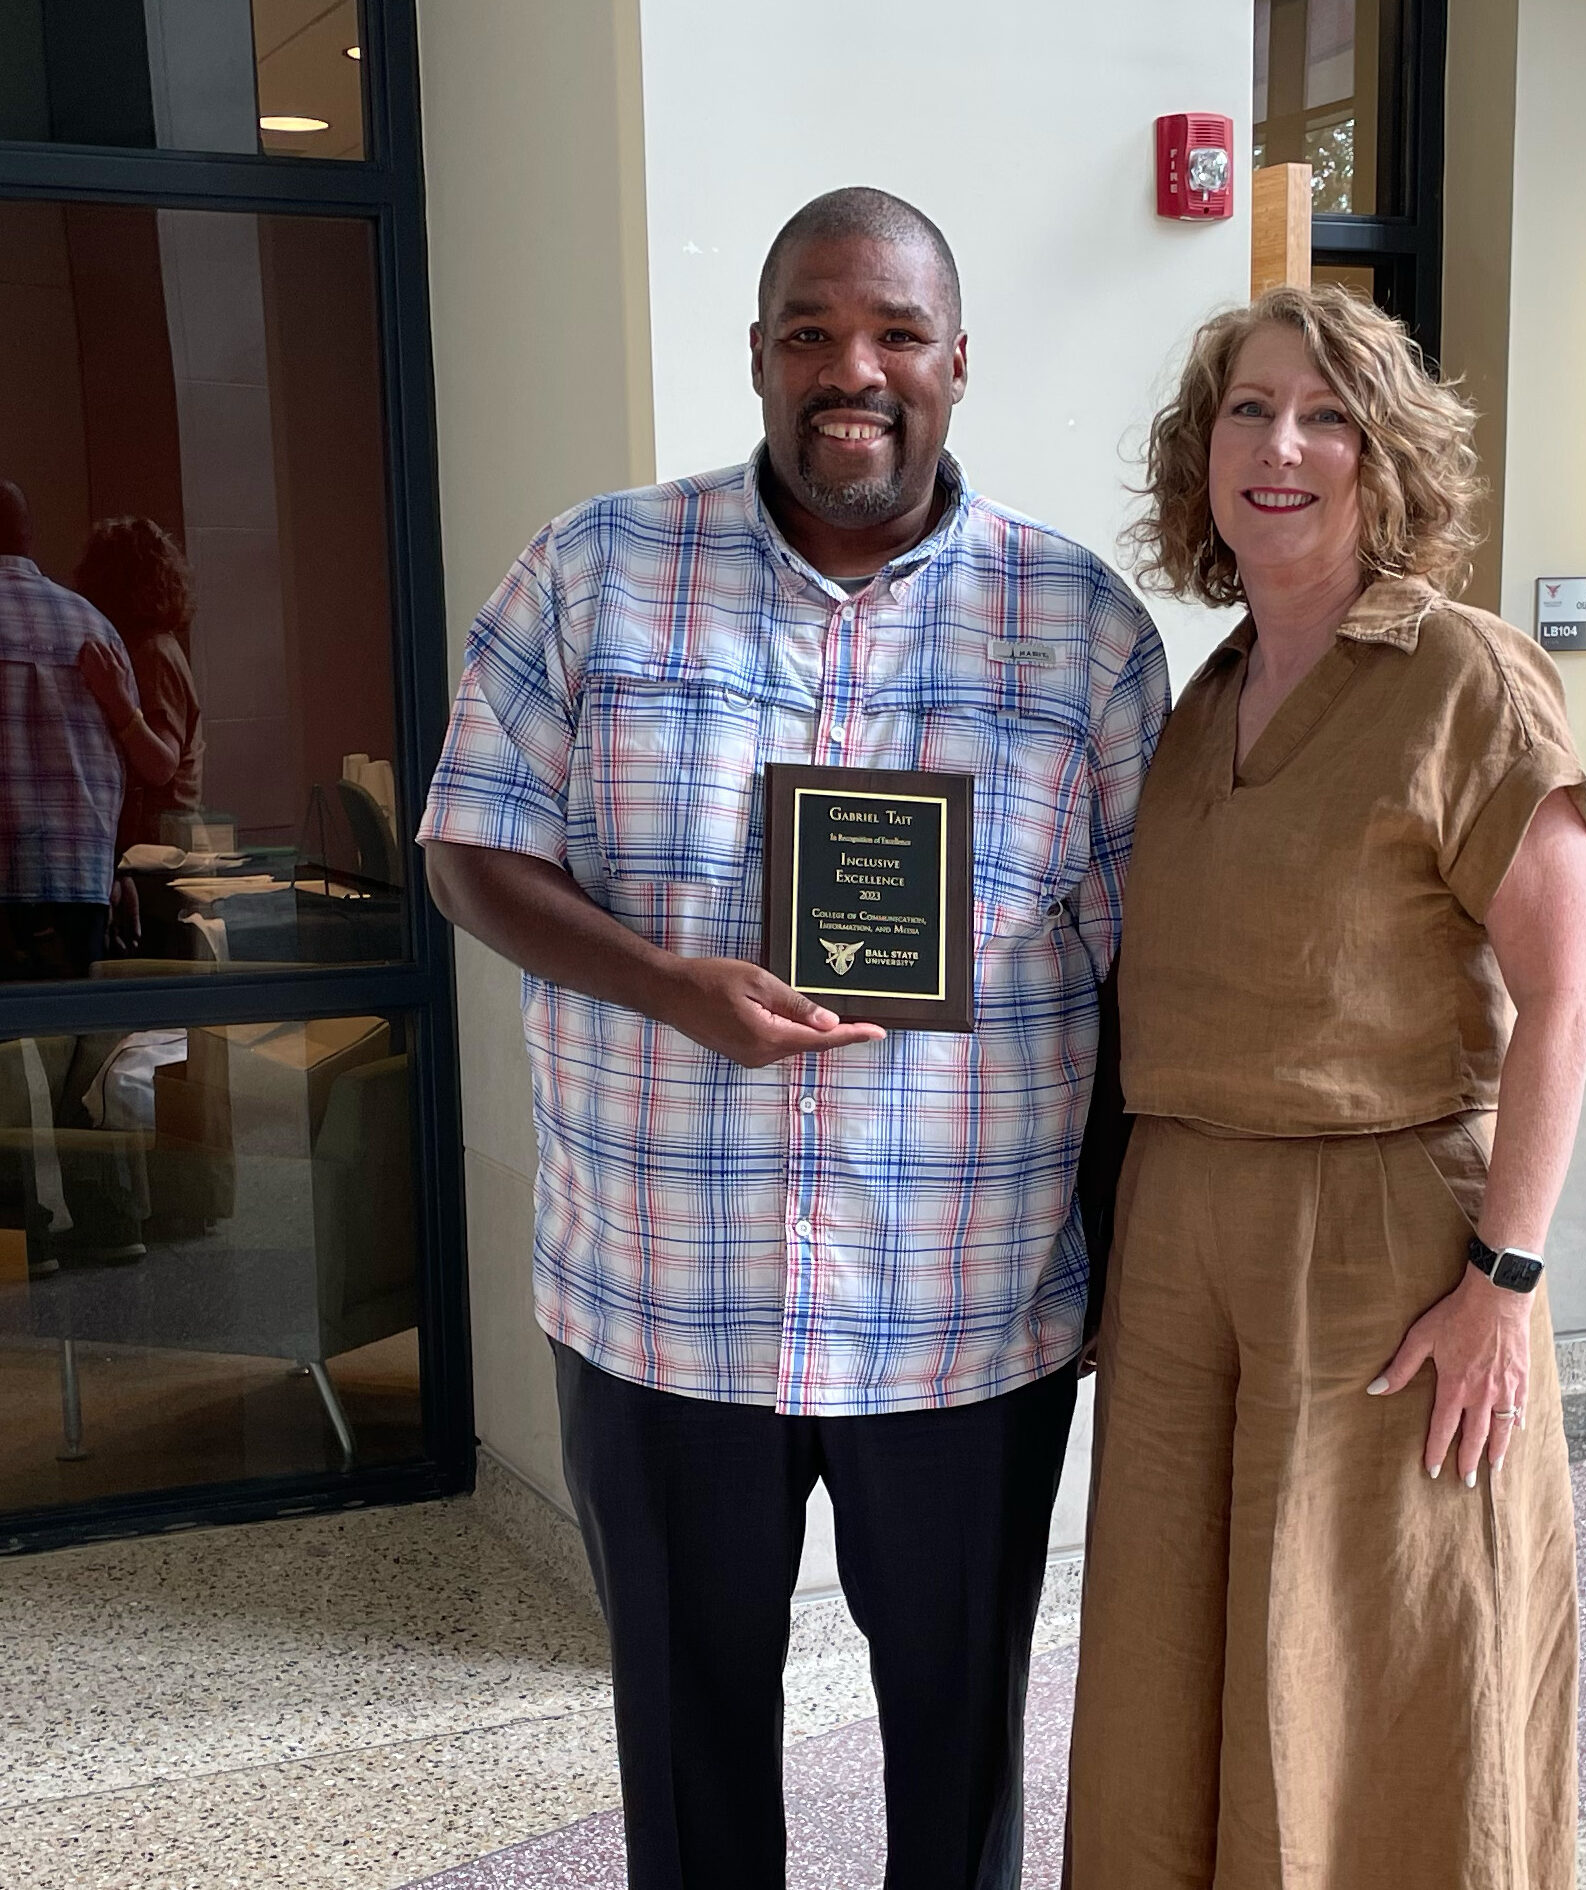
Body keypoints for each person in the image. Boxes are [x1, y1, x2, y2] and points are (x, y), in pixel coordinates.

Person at [419, 187, 1168, 1890]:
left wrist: (1123, 1256)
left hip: (965, 1316)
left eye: (898, 333)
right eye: (815, 331)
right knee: (687, 1752)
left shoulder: (1081, 630)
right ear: (758, 357)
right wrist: (670, 984)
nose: (858, 367)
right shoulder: (594, 571)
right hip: (665, 1298)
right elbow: (469, 849)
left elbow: (1146, 981)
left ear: (958, 363)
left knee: (957, 1739)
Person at [1065, 285, 1586, 1889]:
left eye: (1324, 416)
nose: (1279, 447)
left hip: (1384, 1240)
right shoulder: (1199, 703)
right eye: (1246, 410)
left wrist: (1501, 1280)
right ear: (1201, 453)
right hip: (1178, 1235)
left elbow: (1569, 987)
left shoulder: (1463, 677)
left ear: (1385, 455)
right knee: (1175, 1655)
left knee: (1367, 1661)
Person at [0, 479, 130, 981]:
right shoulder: (93, 625)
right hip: (81, 874)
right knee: (76, 1040)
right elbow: (123, 757)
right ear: (29, 537)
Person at [72, 516, 205, 852]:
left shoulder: (154, 653)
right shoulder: (151, 647)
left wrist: (117, 701)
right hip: (160, 842)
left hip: (164, 847)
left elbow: (161, 764)